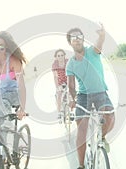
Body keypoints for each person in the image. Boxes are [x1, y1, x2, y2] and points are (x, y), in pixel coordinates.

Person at [66, 25, 114, 169]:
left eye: (79, 36)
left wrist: (102, 36)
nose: (77, 39)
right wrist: (72, 99)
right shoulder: (70, 63)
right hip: (83, 97)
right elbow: (71, 86)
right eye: (73, 37)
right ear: (70, 42)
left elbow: (100, 43)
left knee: (110, 119)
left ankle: (102, 137)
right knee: (81, 132)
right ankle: (81, 165)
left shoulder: (92, 52)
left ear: (82, 39)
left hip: (100, 93)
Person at [52, 49, 68, 113]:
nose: (60, 57)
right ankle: (59, 112)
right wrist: (57, 87)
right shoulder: (55, 64)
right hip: (60, 82)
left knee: (72, 95)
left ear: (64, 56)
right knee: (59, 94)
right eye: (58, 56)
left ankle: (71, 110)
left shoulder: (68, 62)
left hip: (68, 81)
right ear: (56, 57)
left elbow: (72, 74)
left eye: (62, 55)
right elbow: (55, 77)